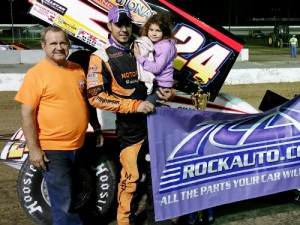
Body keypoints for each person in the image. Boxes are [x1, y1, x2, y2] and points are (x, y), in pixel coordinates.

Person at [86, 5, 175, 225]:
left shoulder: (146, 43)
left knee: (159, 174)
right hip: (130, 128)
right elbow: (95, 97)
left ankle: (158, 219)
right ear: (109, 25)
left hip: (157, 123)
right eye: (118, 25)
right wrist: (134, 106)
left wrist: (168, 91)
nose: (123, 29)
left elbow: (165, 73)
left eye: (127, 24)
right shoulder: (100, 56)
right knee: (131, 177)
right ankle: (126, 220)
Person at [15, 25, 103, 225]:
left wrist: (96, 127)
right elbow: (27, 113)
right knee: (63, 202)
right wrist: (34, 149)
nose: (59, 47)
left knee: (74, 194)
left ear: (69, 44)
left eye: (63, 42)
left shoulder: (77, 70)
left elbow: (86, 103)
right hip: (53, 149)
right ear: (43, 46)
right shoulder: (35, 74)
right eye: (53, 43)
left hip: (78, 146)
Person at [133, 13, 177, 105]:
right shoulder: (154, 43)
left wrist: (139, 57)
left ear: (164, 32)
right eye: (151, 30)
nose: (153, 33)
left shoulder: (166, 46)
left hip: (161, 86)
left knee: (146, 109)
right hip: (153, 82)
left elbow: (156, 69)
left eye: (158, 31)